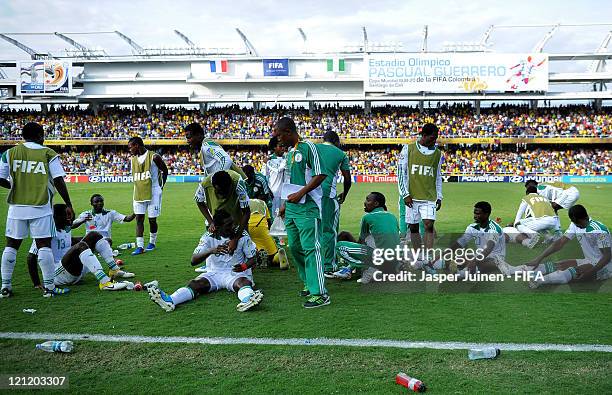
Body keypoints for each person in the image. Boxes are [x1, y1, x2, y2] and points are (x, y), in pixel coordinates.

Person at [0, 122, 74, 298]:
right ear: (41, 135)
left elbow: (0, 178)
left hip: (16, 207)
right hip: (41, 207)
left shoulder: (9, 153)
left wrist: (14, 186)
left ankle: (5, 286)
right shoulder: (48, 153)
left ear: (23, 136)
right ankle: (49, 288)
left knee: (11, 246)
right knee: (44, 246)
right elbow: (58, 180)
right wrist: (68, 204)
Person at [147, 210, 263, 312]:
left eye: (232, 223)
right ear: (218, 227)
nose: (232, 226)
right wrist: (211, 251)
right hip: (214, 273)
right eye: (228, 225)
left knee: (243, 283)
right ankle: (170, 300)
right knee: (195, 283)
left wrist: (243, 267)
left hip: (235, 273)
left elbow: (253, 259)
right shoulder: (208, 237)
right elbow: (193, 260)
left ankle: (247, 299)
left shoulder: (241, 235)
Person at [274, 117, 329, 308]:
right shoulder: (290, 153)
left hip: (308, 208)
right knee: (295, 248)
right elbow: (292, 182)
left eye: (279, 135)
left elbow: (321, 174)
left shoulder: (308, 147)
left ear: (289, 132)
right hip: (292, 209)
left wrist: (302, 192)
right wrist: (285, 204)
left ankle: (320, 294)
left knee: (311, 249)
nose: (278, 139)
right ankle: (309, 282)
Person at [27, 204, 133, 291]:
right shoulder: (45, 234)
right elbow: (31, 257)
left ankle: (114, 270)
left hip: (73, 270)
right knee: (81, 245)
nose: (70, 217)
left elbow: (68, 242)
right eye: (67, 215)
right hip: (58, 275)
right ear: (57, 217)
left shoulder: (65, 229)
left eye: (70, 214)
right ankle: (105, 282)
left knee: (94, 234)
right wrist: (36, 283)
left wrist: (97, 241)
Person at [525, 205, 611, 288]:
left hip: (605, 266)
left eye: (575, 221)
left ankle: (539, 280)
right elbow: (560, 242)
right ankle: (526, 271)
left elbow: (607, 256)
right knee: (561, 265)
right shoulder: (575, 224)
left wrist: (591, 272)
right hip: (589, 260)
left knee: (575, 271)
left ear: (582, 218)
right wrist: (539, 258)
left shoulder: (599, 231)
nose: (574, 223)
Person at [397, 123, 443, 258]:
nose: (434, 141)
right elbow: (400, 173)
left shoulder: (438, 153)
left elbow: (438, 176)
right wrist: (405, 194)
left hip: (429, 197)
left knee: (429, 225)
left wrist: (439, 196)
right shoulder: (408, 149)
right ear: (423, 135)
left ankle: (428, 256)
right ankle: (419, 256)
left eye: (436, 138)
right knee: (413, 228)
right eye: (432, 138)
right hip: (411, 197)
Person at [427, 201, 508, 278]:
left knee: (481, 263)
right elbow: (460, 243)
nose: (475, 216)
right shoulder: (472, 227)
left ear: (486, 214)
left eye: (478, 213)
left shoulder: (494, 229)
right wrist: (441, 254)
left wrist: (474, 261)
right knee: (460, 258)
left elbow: (488, 249)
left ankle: (463, 274)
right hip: (479, 255)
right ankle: (434, 263)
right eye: (474, 213)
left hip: (496, 259)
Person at [332, 192, 400, 282]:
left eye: (368, 200)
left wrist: (356, 255)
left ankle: (361, 268)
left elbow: (361, 241)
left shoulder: (367, 217)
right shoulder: (392, 216)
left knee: (340, 246)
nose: (365, 202)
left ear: (376, 204)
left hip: (381, 259)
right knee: (350, 236)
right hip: (396, 258)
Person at [193, 169, 251, 272]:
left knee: (240, 247)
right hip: (217, 219)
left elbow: (246, 212)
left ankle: (244, 265)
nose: (223, 196)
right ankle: (211, 267)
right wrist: (211, 221)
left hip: (235, 220)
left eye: (226, 192)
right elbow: (199, 201)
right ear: (214, 187)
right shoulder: (204, 184)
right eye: (220, 192)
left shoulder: (238, 182)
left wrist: (236, 238)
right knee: (215, 243)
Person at [317, 131, 352, 275]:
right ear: (336, 141)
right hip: (327, 196)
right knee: (329, 231)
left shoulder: (313, 148)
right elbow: (347, 178)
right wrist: (345, 193)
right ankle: (329, 266)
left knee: (314, 229)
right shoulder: (340, 154)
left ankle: (315, 263)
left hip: (310, 193)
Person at [128, 137, 168, 255]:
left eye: (131, 147)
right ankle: (140, 246)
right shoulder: (133, 160)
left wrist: (161, 186)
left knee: (152, 220)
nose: (129, 150)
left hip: (153, 192)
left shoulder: (154, 157)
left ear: (137, 145)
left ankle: (152, 242)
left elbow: (165, 170)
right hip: (138, 192)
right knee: (139, 219)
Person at [504, 184, 558, 249]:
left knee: (519, 225)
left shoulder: (527, 198)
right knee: (538, 224)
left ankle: (533, 235)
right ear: (536, 192)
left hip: (542, 221)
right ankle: (549, 237)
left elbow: (520, 211)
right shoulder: (544, 198)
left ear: (527, 193)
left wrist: (516, 223)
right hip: (554, 221)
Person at [265, 136, 287, 218]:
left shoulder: (287, 158)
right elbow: (265, 177)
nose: (283, 148)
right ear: (274, 147)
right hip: (274, 195)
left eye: (284, 146)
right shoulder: (269, 160)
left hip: (285, 195)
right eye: (280, 146)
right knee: (275, 219)